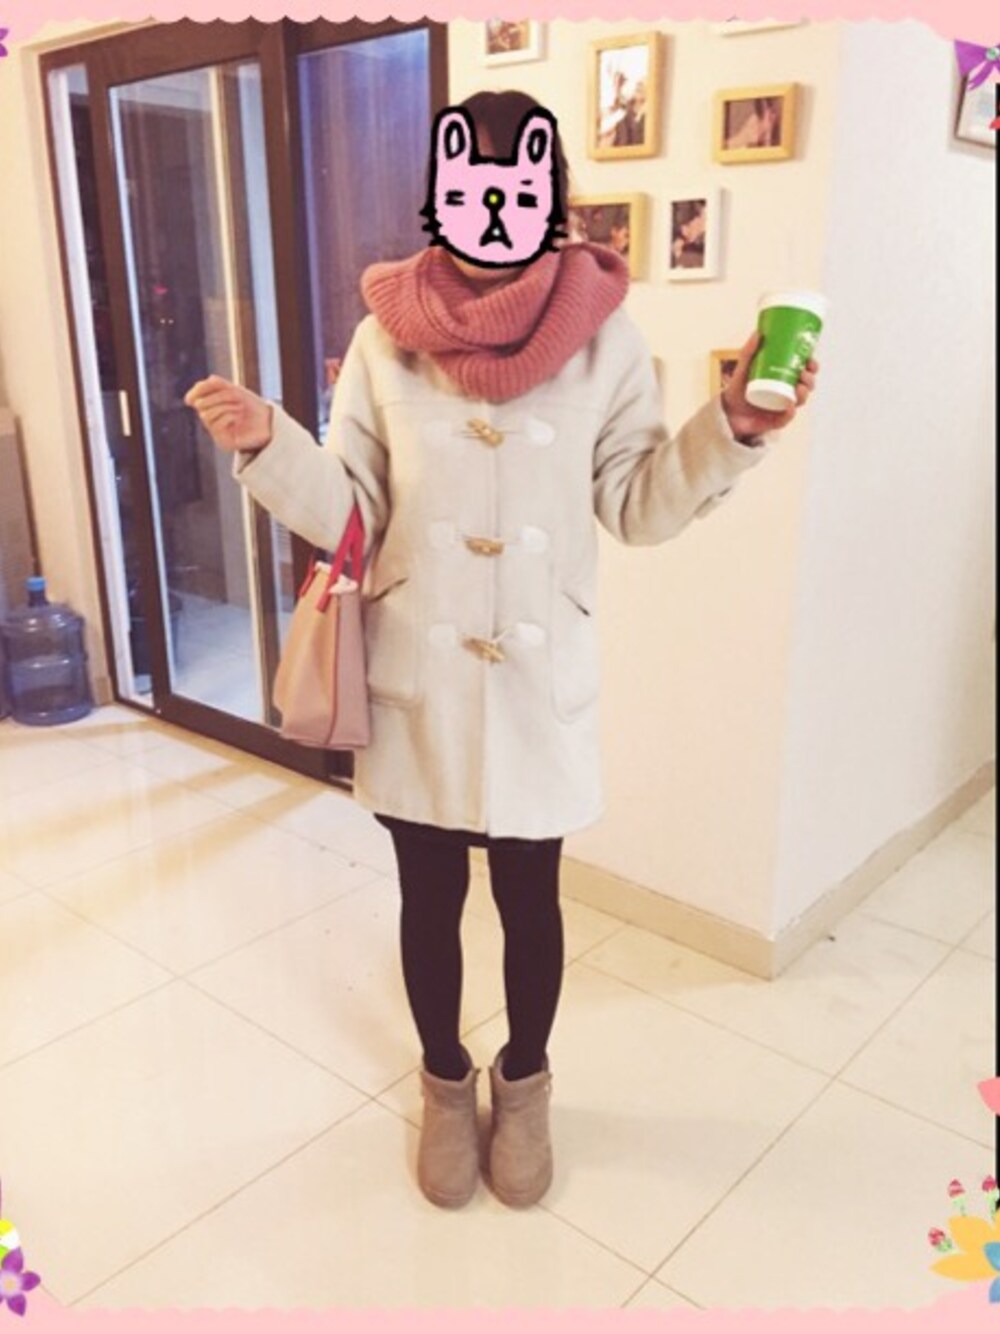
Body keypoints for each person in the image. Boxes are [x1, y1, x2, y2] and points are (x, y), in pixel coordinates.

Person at [185, 89, 819, 1213]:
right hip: (417, 673)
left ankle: (523, 1087)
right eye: (469, 186)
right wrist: (270, 441)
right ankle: (445, 1084)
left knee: (531, 899)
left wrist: (732, 428)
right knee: (426, 896)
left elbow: (637, 507)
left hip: (536, 676)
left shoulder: (608, 341)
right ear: (440, 196)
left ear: (550, 198)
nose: (489, 208)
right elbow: (353, 510)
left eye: (512, 188)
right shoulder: (384, 338)